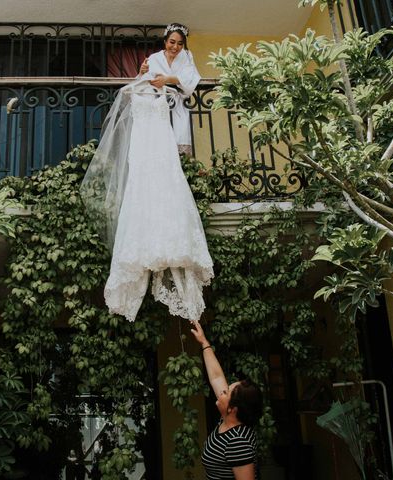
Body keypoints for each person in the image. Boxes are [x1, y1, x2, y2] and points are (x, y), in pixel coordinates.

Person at [80, 76, 213, 322]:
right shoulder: (130, 93)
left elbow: (182, 93)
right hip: (143, 154)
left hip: (164, 154)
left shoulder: (166, 93)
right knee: (143, 198)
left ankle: (170, 252)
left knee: (167, 197)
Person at [190, 320, 263, 480]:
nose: (221, 392)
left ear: (233, 408)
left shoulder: (238, 441)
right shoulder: (228, 421)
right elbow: (216, 377)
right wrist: (204, 342)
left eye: (226, 392)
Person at [139, 23, 201, 156]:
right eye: (172, 42)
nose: (175, 47)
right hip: (158, 107)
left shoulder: (187, 55)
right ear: (165, 41)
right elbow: (144, 83)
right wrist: (142, 72)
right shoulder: (154, 58)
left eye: (180, 43)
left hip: (179, 105)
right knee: (158, 147)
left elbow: (190, 77)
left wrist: (167, 79)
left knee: (180, 146)